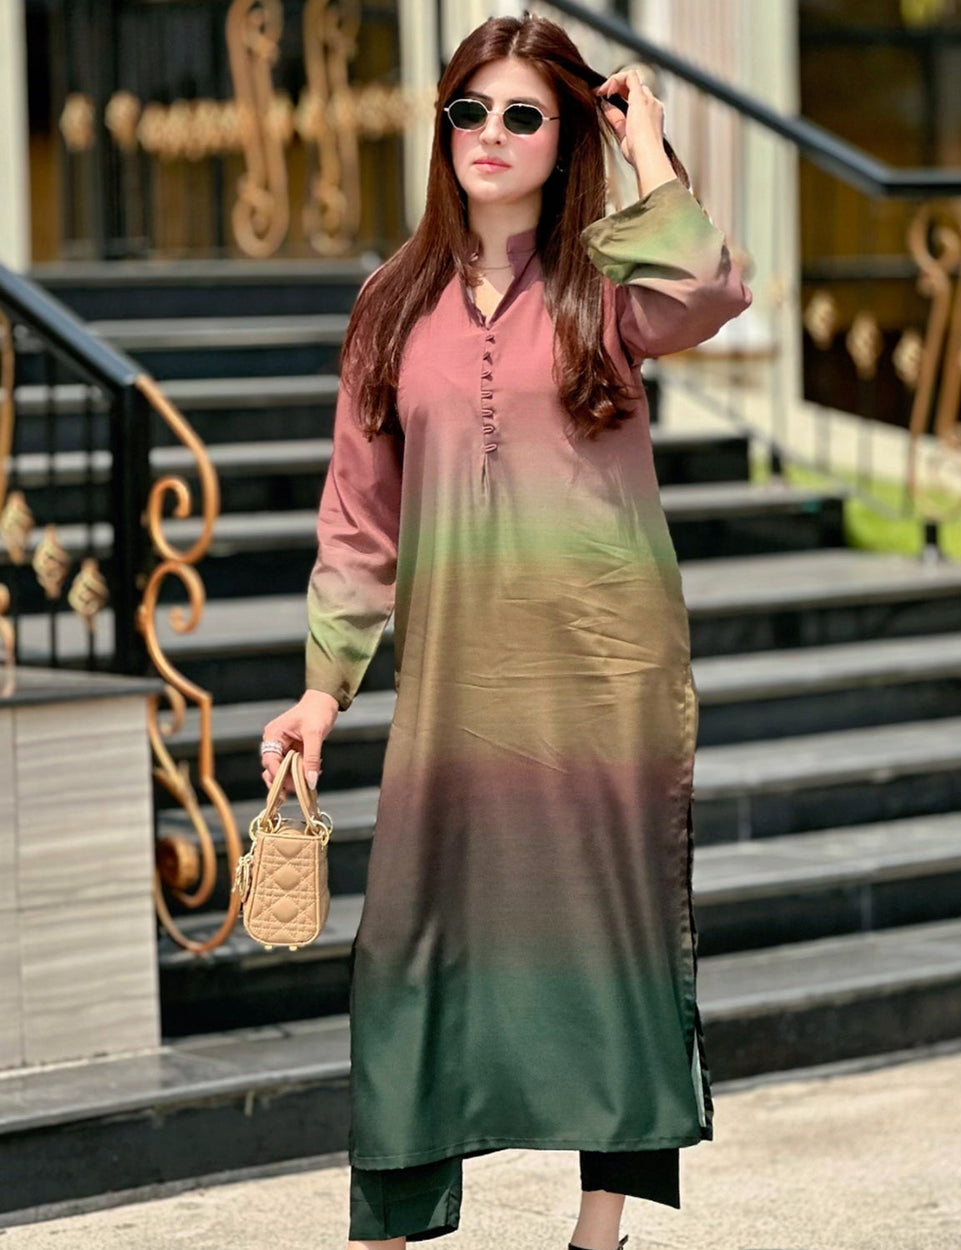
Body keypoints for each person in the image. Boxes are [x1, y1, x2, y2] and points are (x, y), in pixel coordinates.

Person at [260, 12, 751, 1249]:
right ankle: (392, 1225)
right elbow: (357, 518)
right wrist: (322, 691)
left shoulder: (606, 281)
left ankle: (599, 1230)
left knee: (608, 932)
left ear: (563, 131)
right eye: (468, 110)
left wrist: (646, 144)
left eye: (524, 112)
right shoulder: (390, 301)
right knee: (413, 949)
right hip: (456, 691)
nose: (490, 133)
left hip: (602, 672)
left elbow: (712, 286)